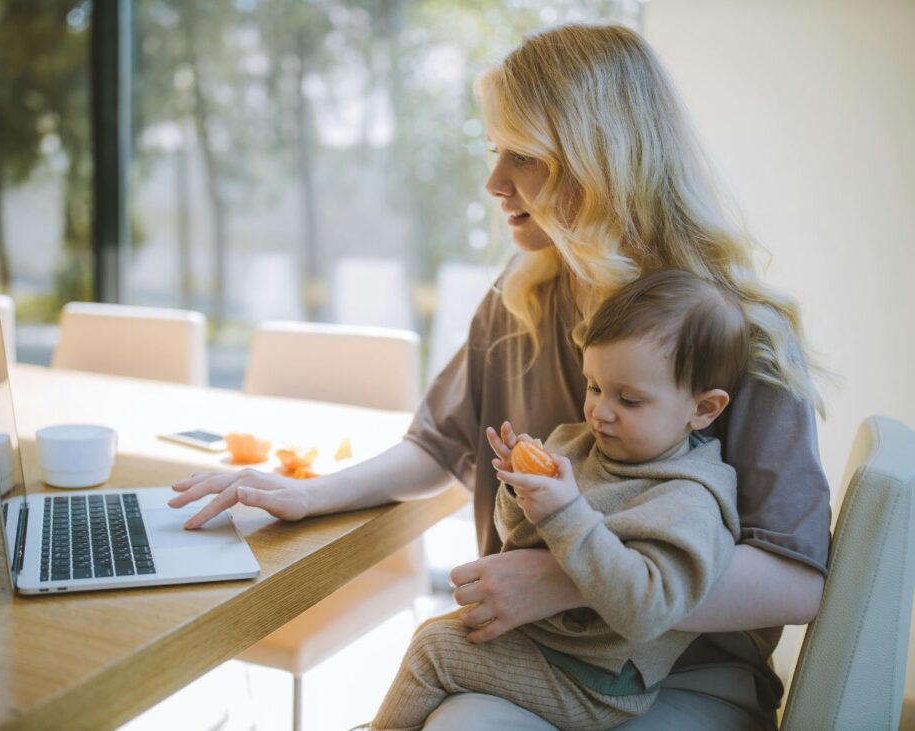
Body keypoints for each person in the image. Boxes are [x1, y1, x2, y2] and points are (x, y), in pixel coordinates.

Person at [169, 23, 830, 729]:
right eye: (494, 152)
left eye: (525, 157)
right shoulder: (521, 297)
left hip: (686, 676)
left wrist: (567, 578)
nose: (494, 183)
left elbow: (795, 581)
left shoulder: (737, 333)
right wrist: (311, 493)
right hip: (541, 651)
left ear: (600, 160)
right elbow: (438, 445)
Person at [370, 269, 749, 731]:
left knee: (434, 652)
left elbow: (647, 610)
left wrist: (566, 513)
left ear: (703, 409)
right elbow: (521, 539)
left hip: (596, 681)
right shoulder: (579, 444)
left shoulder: (690, 498)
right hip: (547, 644)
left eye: (629, 400)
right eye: (594, 386)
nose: (599, 412)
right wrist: (521, 490)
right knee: (439, 635)